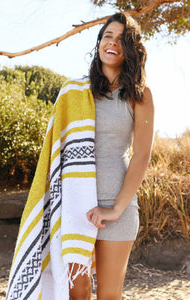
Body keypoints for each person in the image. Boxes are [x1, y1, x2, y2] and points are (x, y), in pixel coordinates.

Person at [69, 12, 154, 300]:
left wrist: (116, 208)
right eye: (108, 36)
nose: (113, 43)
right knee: (75, 291)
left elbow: (142, 154)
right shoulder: (75, 92)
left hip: (118, 208)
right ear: (99, 42)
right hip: (75, 206)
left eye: (122, 39)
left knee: (108, 294)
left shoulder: (140, 95)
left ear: (131, 48)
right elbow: (56, 150)